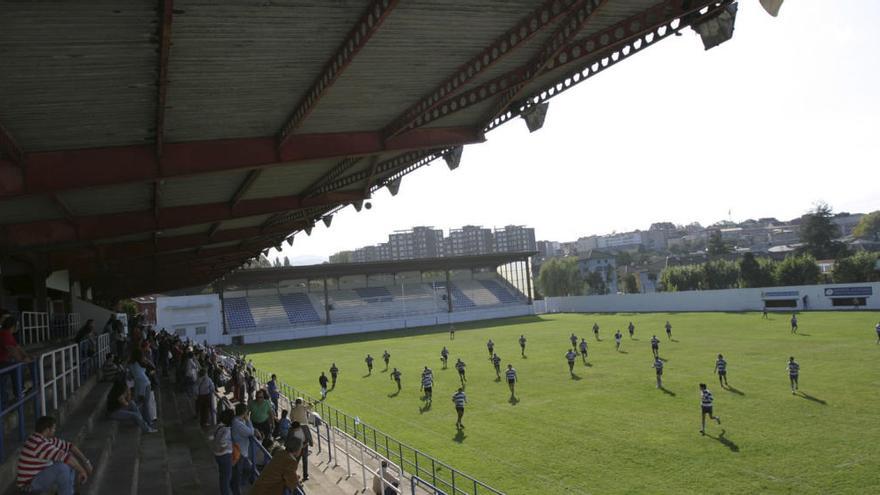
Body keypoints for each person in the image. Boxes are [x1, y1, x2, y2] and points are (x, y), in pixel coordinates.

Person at [15, 416, 92, 495]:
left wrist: (86, 461)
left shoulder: (44, 439)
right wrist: (82, 471)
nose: (55, 430)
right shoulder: (39, 444)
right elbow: (67, 458)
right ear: (47, 430)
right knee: (62, 467)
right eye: (53, 428)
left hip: (37, 477)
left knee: (69, 456)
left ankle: (68, 492)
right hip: (29, 486)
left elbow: (70, 446)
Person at [231, 403, 261, 491]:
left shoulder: (238, 421)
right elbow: (250, 432)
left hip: (242, 452)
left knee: (248, 468)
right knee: (238, 473)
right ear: (244, 413)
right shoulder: (238, 424)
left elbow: (250, 430)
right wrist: (249, 420)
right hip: (239, 453)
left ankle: (240, 484)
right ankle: (236, 489)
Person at [213, 409, 235, 495]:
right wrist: (223, 447)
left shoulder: (219, 426)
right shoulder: (227, 430)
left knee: (222, 476)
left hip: (217, 455)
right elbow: (223, 441)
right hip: (225, 455)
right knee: (226, 478)